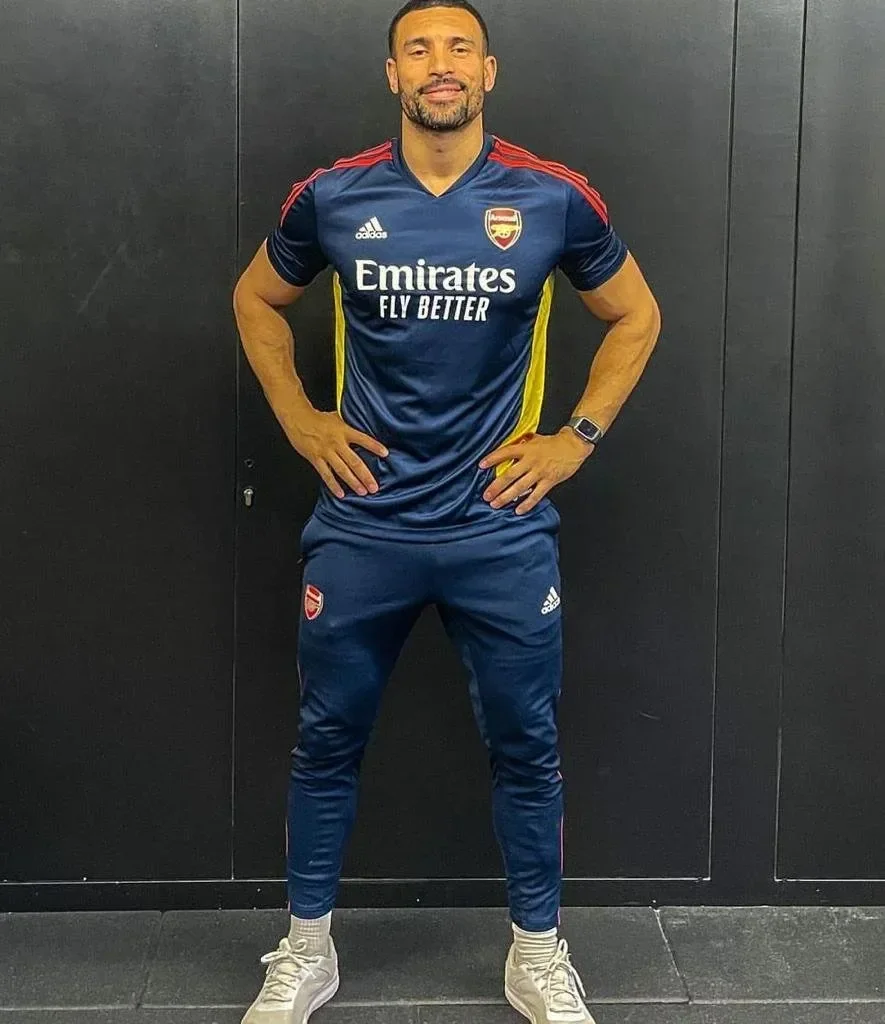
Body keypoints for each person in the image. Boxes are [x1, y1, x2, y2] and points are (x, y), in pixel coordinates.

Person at [232, 1, 661, 1020]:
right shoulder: (332, 196)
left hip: (496, 528)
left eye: (458, 47)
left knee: (526, 746)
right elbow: (256, 299)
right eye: (418, 48)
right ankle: (305, 951)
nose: (440, 63)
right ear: (392, 74)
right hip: (365, 524)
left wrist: (575, 438)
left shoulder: (551, 196)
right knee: (326, 741)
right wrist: (300, 420)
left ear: (487, 71)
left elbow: (635, 314)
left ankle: (536, 954)